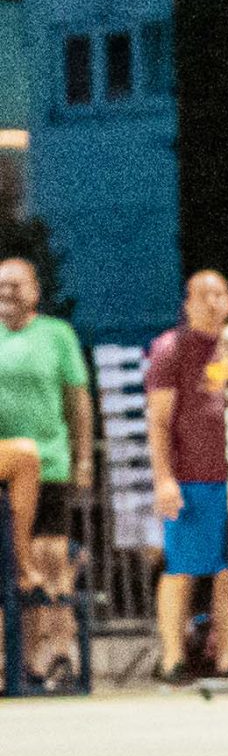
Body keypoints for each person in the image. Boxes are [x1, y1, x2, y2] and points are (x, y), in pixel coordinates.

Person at [144, 269, 228, 682]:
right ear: (188, 304)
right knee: (181, 568)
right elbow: (159, 421)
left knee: (227, 570)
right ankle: (172, 658)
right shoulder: (171, 348)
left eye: (220, 294)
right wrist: (165, 479)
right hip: (191, 478)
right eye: (204, 295)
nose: (214, 302)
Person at [0, 256, 91, 601]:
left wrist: (83, 459)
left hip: (49, 462)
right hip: (4, 467)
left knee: (50, 565)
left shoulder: (56, 334)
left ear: (35, 291)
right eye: (1, 286)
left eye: (15, 285)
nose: (7, 292)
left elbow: (77, 401)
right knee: (9, 571)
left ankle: (55, 634)